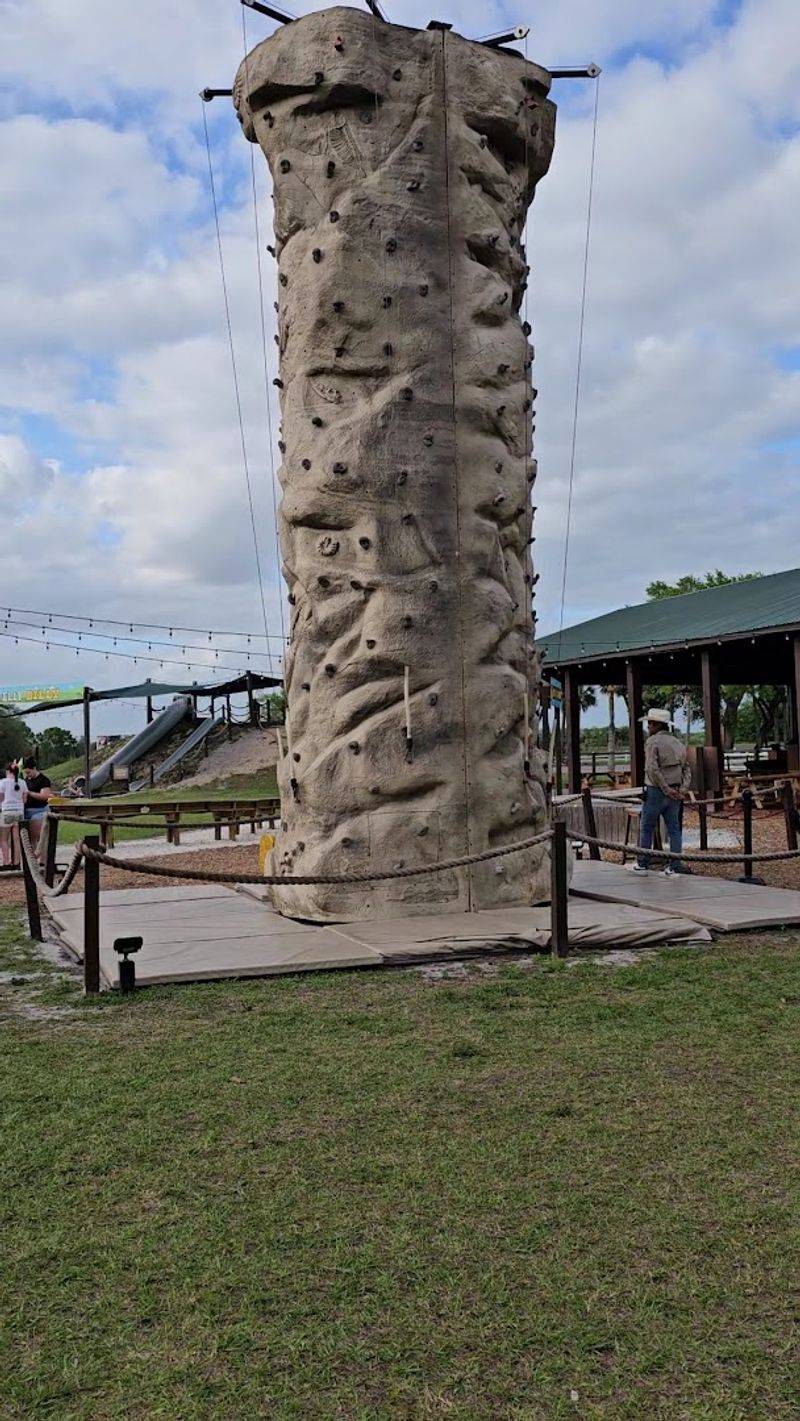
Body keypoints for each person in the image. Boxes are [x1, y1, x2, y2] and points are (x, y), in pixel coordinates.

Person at [629, 708, 691, 875]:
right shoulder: (678, 743)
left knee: (647, 826)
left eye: (652, 723)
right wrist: (682, 789)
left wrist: (665, 788)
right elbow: (686, 768)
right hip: (676, 789)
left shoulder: (652, 742)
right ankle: (675, 864)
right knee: (674, 829)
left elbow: (652, 769)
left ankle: (643, 863)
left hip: (656, 790)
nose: (649, 726)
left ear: (659, 725)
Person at [22, 755, 53, 861]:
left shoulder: (43, 780)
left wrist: (29, 793)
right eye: (26, 773)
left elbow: (45, 796)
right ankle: (32, 861)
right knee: (30, 839)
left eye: (29, 772)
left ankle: (42, 861)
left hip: (39, 810)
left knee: (39, 836)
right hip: (26, 810)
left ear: (34, 768)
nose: (28, 775)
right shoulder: (26, 780)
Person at [0, 761, 29, 868]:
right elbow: (25, 800)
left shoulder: (3, 782)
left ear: (8, 771)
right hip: (19, 812)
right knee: (17, 839)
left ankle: (6, 862)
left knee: (3, 839)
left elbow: (1, 798)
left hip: (7, 811)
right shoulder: (22, 782)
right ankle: (16, 862)